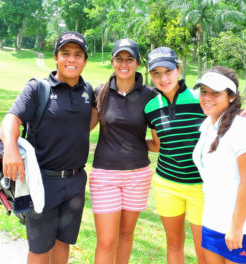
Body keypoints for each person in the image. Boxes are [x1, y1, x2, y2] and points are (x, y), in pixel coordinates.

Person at [0, 31, 94, 264]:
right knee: (41, 248)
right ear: (55, 57)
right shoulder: (38, 88)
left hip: (75, 181)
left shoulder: (88, 91)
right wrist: (11, 150)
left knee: (63, 243)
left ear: (85, 61)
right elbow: (11, 119)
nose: (71, 59)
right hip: (42, 181)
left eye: (78, 54)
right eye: (65, 54)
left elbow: (86, 125)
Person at [192, 67, 246, 264]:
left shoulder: (243, 128)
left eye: (215, 93)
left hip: (243, 225)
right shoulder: (206, 126)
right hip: (212, 219)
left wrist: (236, 228)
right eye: (204, 91)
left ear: (231, 97)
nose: (207, 97)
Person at [89, 38, 158, 264]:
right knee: (107, 240)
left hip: (138, 175)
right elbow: (84, 126)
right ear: (112, 62)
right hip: (105, 175)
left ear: (138, 63)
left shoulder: (150, 95)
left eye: (130, 59)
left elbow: (158, 142)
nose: (124, 64)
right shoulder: (100, 92)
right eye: (119, 59)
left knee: (126, 235)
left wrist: (233, 113)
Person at [144, 47, 208, 264]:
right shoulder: (151, 107)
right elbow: (159, 145)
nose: (163, 78)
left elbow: (228, 117)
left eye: (168, 71)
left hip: (201, 186)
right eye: (156, 73)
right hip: (167, 184)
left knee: (204, 248)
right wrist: (128, 143)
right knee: (174, 243)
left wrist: (243, 115)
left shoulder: (201, 99)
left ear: (179, 70)